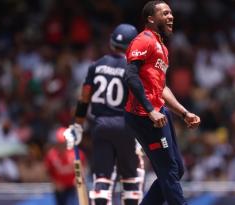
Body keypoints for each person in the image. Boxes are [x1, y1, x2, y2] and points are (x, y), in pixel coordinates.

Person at [124, 1, 200, 205]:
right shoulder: (143, 40)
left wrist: (184, 113)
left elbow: (162, 88)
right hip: (144, 115)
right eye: (165, 13)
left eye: (171, 13)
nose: (170, 16)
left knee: (177, 169)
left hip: (159, 112)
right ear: (151, 19)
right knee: (169, 170)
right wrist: (150, 111)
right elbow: (131, 76)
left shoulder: (162, 48)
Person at [65, 24, 144, 205]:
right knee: (131, 180)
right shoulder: (133, 69)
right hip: (126, 128)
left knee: (102, 180)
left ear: (111, 43)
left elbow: (84, 98)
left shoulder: (96, 66)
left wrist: (77, 126)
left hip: (100, 127)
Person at [44, 127, 85, 205]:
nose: (61, 146)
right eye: (59, 143)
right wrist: (55, 183)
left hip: (73, 188)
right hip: (60, 189)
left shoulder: (75, 154)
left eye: (63, 143)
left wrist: (78, 180)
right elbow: (49, 172)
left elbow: (79, 169)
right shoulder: (51, 156)